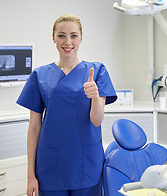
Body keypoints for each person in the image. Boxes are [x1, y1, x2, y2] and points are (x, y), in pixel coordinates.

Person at [17, 14, 117, 196]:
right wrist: (30, 174)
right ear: (53, 38)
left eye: (73, 35)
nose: (68, 41)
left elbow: (97, 120)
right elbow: (34, 128)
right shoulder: (40, 75)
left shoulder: (97, 71)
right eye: (61, 35)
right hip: (51, 165)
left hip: (86, 163)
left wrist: (95, 96)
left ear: (81, 38)